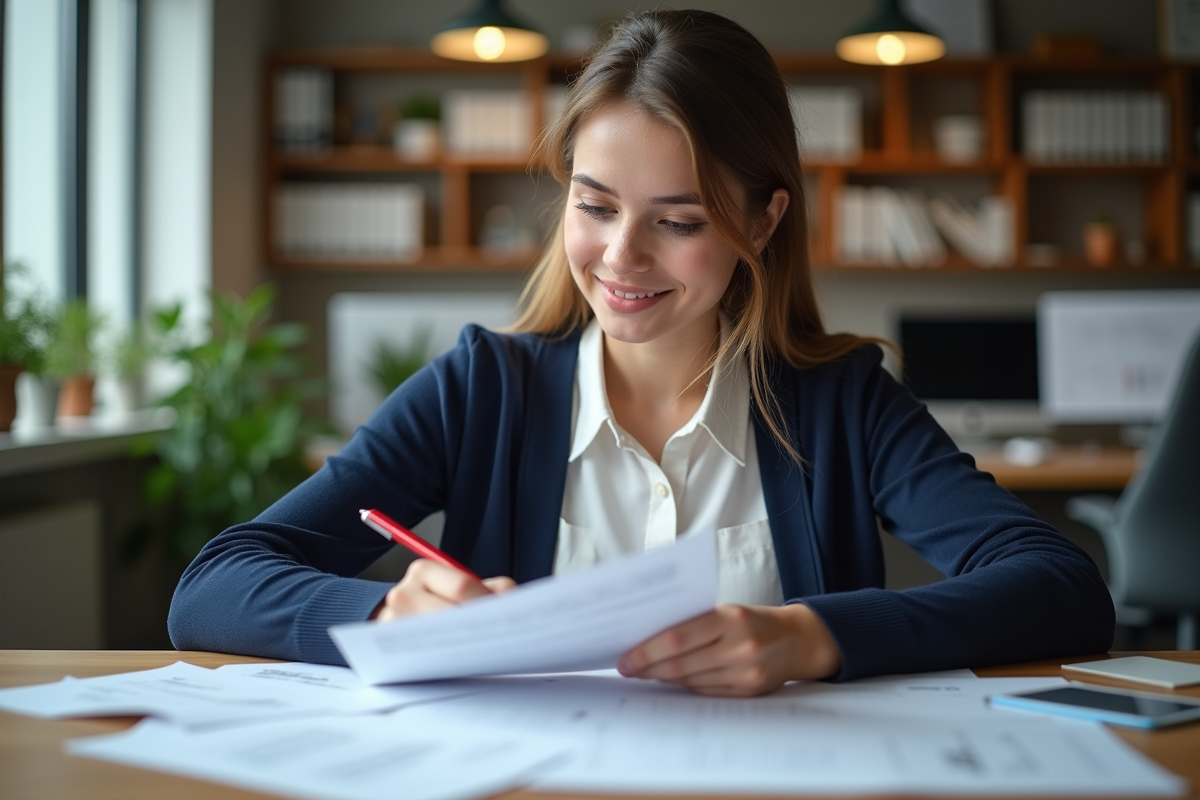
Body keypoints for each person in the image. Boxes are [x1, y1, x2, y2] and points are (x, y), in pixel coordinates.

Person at [169, 9, 1114, 696]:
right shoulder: (480, 390)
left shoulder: (842, 401)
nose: (621, 258)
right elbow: (213, 585)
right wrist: (381, 615)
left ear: (763, 217)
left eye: (679, 220)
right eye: (594, 205)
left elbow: (1061, 587)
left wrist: (811, 636)